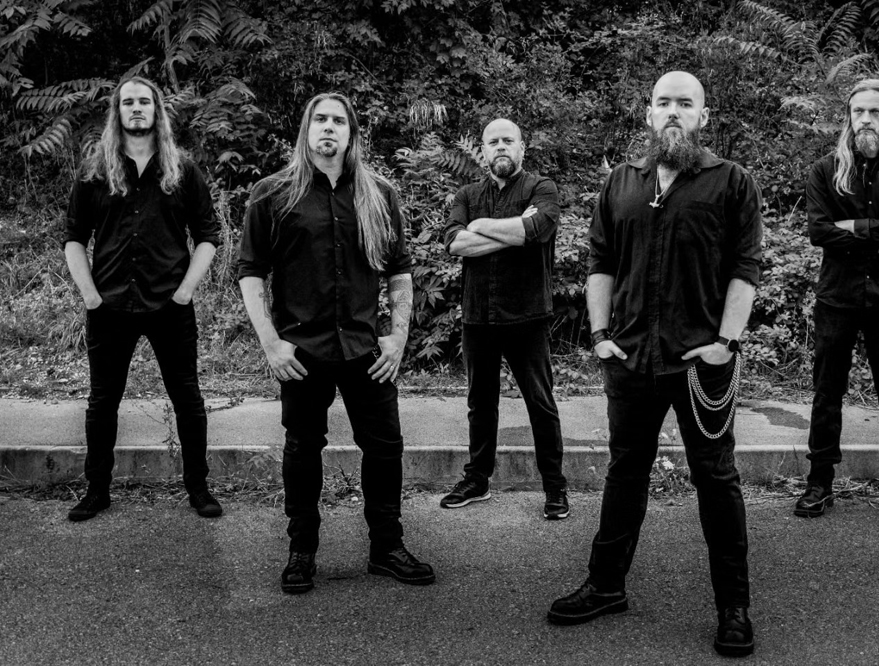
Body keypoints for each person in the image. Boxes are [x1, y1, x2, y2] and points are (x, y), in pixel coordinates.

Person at [547, 71, 762, 659]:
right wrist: (599, 336)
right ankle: (605, 585)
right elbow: (600, 262)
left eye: (684, 103)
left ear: (703, 116)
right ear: (648, 114)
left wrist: (726, 343)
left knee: (717, 480)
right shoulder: (622, 181)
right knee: (625, 473)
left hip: (701, 364)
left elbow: (745, 268)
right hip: (631, 358)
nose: (672, 111)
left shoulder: (731, 182)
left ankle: (734, 607)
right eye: (663, 102)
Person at [237, 92, 434, 595]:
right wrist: (271, 344)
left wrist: (398, 337)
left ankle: (387, 548)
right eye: (320, 119)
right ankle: (301, 551)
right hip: (301, 352)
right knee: (303, 450)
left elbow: (399, 269)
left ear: (352, 134)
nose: (329, 127)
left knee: (385, 448)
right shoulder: (272, 193)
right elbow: (251, 271)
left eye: (338, 121)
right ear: (306, 129)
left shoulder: (378, 194)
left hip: (366, 350)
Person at [63, 76, 222, 522]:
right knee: (102, 402)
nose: (137, 108)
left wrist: (185, 291)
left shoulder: (182, 170)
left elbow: (208, 235)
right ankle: (97, 490)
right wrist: (90, 296)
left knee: (187, 399)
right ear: (117, 112)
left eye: (144, 101)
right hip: (110, 305)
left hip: (170, 305)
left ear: (157, 111)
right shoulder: (95, 171)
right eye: (128, 102)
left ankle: (199, 488)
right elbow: (73, 238)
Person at [796, 79, 879, 524]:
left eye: (875, 112)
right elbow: (819, 232)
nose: (866, 120)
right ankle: (819, 484)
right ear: (849, 117)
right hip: (837, 299)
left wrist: (851, 228)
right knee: (826, 395)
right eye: (858, 112)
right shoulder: (824, 170)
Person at [440, 118, 569, 520]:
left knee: (540, 404)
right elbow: (454, 242)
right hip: (478, 316)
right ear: (483, 149)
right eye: (492, 141)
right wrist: (512, 231)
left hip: (527, 316)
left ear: (521, 147)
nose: (500, 146)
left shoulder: (541, 188)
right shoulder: (467, 194)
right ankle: (477, 480)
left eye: (507, 140)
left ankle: (555, 487)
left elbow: (537, 229)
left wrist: (481, 228)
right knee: (480, 404)